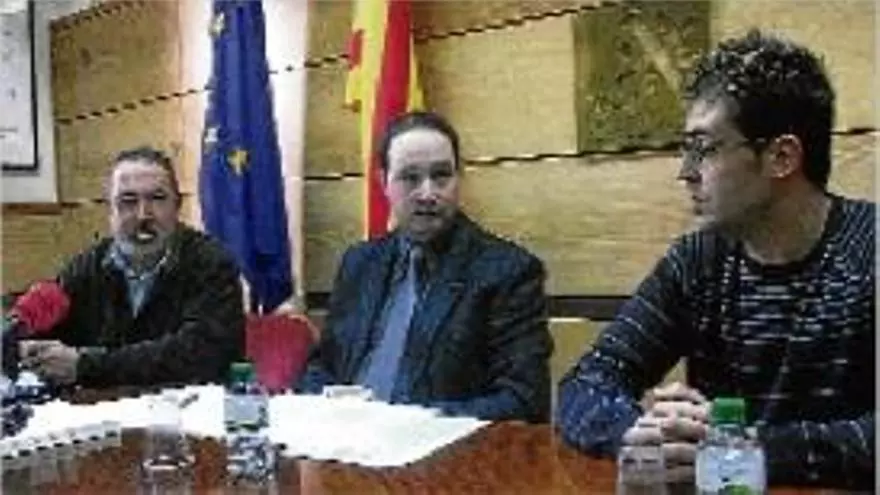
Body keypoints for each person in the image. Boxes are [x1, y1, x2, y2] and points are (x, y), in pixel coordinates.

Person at [556, 30, 874, 488]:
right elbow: (584, 385)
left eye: (703, 149)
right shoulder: (696, 261)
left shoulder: (869, 250)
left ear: (781, 156)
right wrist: (643, 437)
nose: (685, 173)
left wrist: (747, 450)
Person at [296, 111, 553, 422]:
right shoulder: (359, 263)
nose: (428, 193)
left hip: (438, 446)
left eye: (441, 175)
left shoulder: (507, 272)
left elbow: (524, 400)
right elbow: (321, 366)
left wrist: (415, 421)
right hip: (346, 437)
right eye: (410, 178)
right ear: (384, 183)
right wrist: (325, 400)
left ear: (459, 178)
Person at [19, 146, 245, 387]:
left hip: (189, 406)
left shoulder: (212, 263)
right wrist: (27, 347)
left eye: (157, 199)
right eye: (128, 201)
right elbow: (47, 326)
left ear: (177, 206)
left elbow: (202, 354)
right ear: (110, 211)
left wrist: (86, 366)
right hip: (102, 407)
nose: (143, 215)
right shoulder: (89, 265)